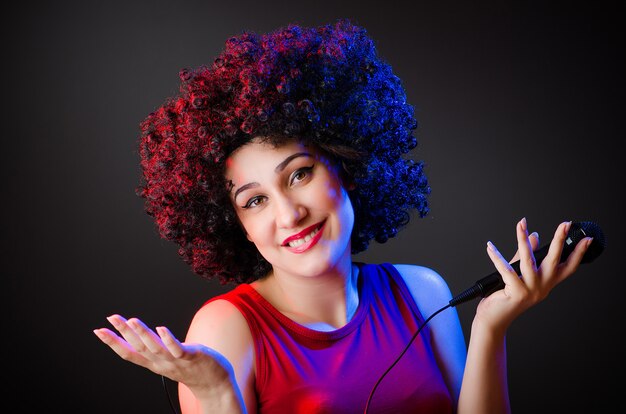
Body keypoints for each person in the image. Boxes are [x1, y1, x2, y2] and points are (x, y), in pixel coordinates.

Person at [93, 19, 593, 414]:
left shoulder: (423, 293)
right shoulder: (226, 327)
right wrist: (218, 393)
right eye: (254, 200)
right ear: (235, 225)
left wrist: (490, 327)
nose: (289, 213)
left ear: (346, 166)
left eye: (299, 174)